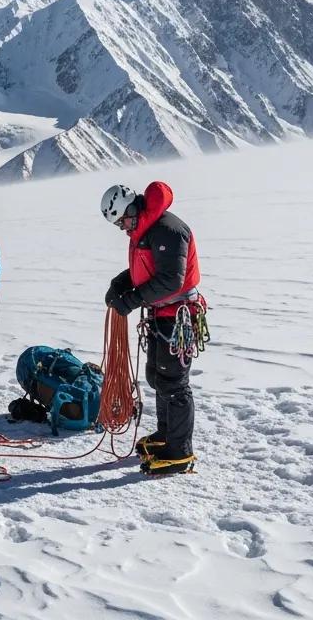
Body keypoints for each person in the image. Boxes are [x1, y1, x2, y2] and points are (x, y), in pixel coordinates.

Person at [101, 181, 203, 476]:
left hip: (178, 315)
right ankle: (166, 436)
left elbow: (171, 278)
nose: (122, 228)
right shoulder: (143, 230)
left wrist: (131, 300)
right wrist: (120, 284)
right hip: (160, 313)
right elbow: (146, 268)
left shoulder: (169, 230)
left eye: (122, 221)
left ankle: (180, 451)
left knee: (173, 383)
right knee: (157, 377)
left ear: (133, 209)